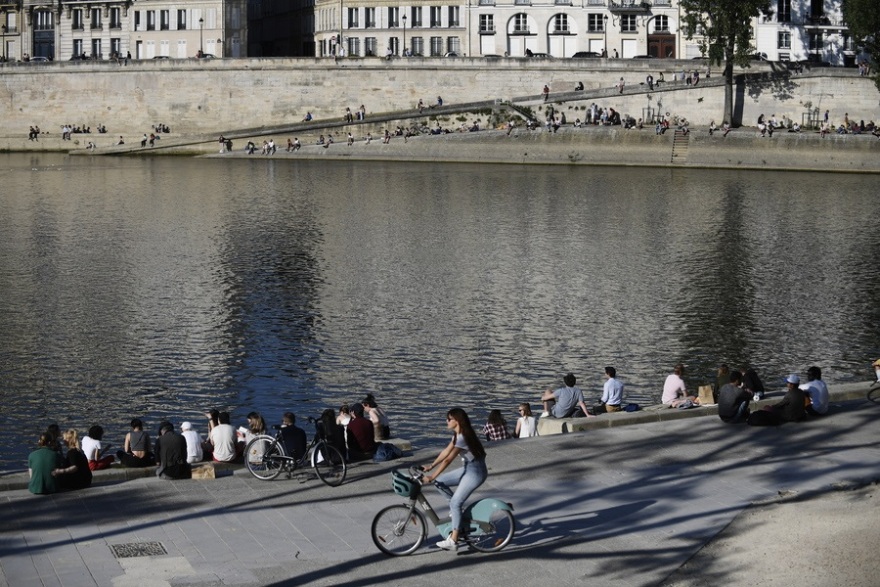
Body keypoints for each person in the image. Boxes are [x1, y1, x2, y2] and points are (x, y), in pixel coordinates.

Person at [421, 408, 488, 552]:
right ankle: (456, 511)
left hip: (475, 472)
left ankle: (453, 539)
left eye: (449, 419)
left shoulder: (463, 437)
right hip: (467, 469)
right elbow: (445, 452)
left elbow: (448, 460)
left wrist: (432, 476)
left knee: (455, 502)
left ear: (457, 421)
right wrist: (431, 466)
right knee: (440, 482)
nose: (447, 421)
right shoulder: (457, 435)